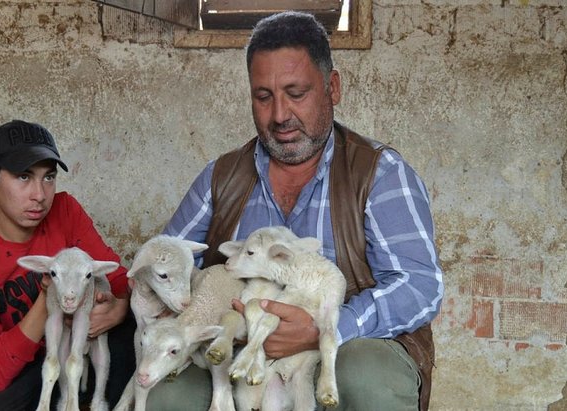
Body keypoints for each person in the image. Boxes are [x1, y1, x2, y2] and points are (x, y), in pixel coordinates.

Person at [151, 11, 443, 411]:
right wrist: (131, 299)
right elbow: (168, 260)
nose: (280, 115)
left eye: (297, 92)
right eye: (264, 96)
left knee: (367, 376)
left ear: (332, 88)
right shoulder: (221, 177)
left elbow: (420, 286)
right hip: (238, 345)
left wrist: (326, 327)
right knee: (168, 393)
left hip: (342, 347)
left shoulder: (379, 172)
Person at [0, 120, 135, 410]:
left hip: (53, 353)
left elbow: (118, 279)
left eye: (49, 177)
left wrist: (119, 308)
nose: (40, 195)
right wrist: (48, 297)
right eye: (23, 177)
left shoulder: (64, 211)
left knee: (134, 340)